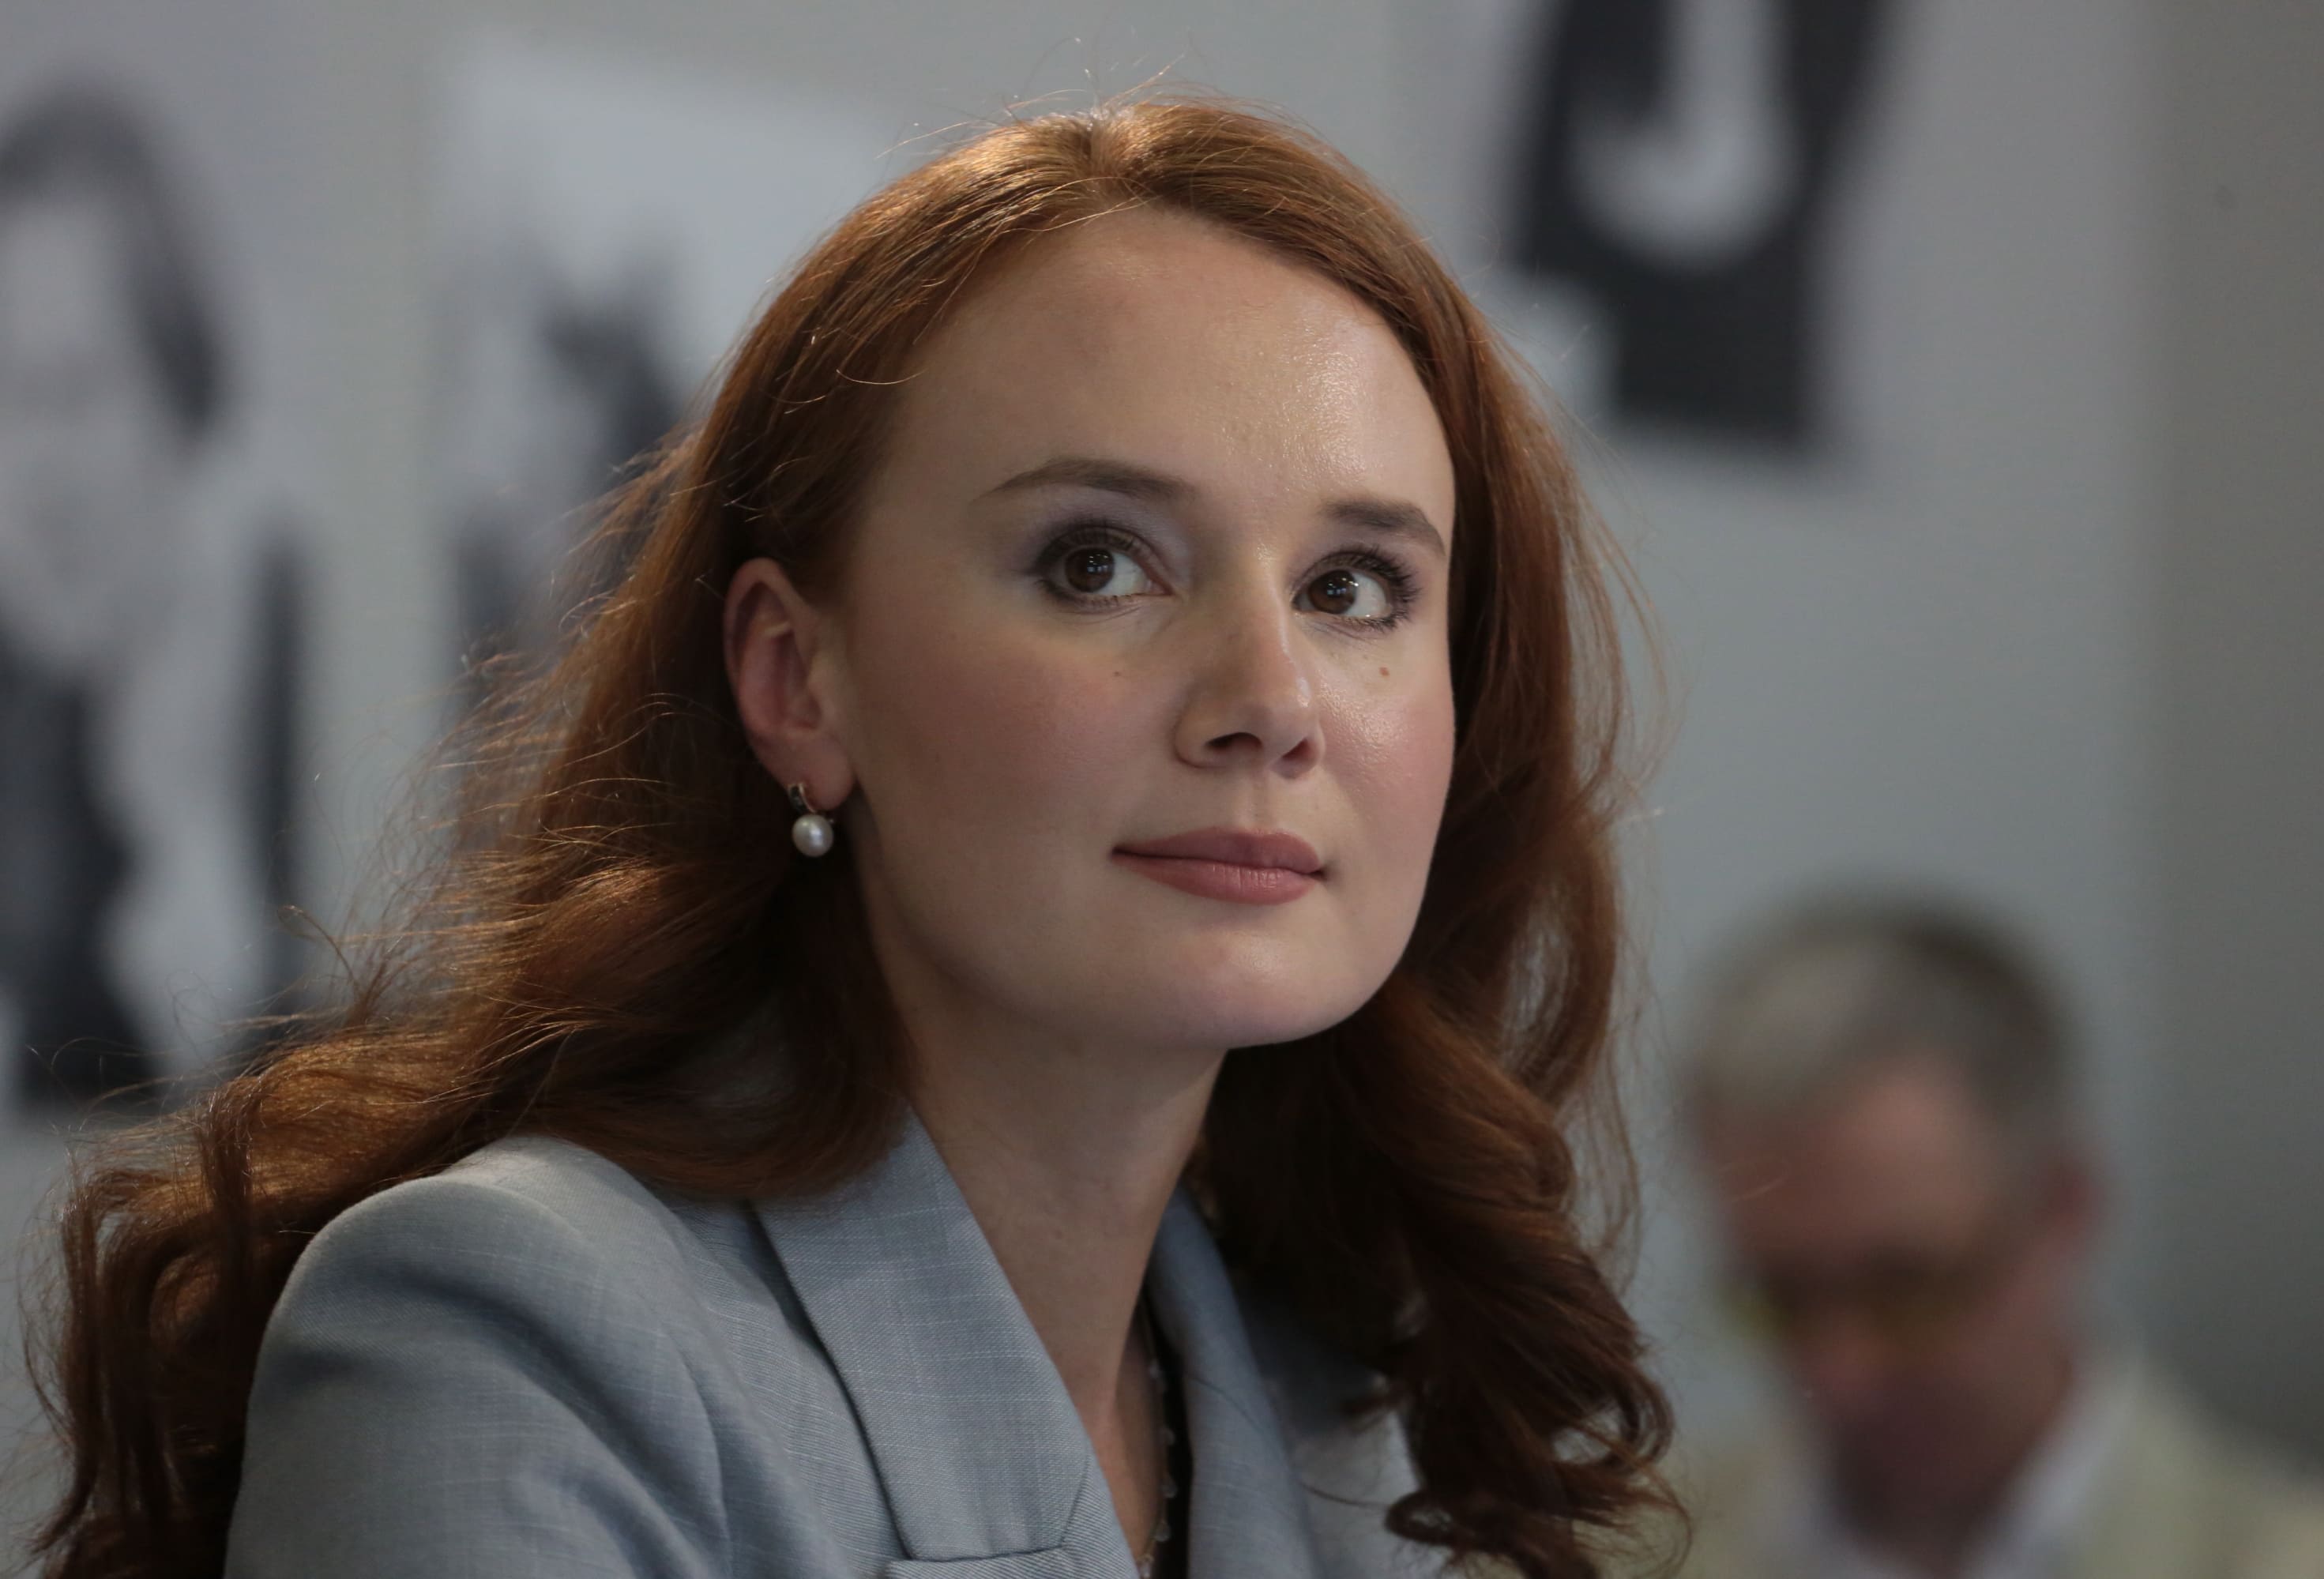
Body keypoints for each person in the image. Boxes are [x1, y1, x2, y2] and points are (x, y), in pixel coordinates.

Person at [32, 100, 1675, 1578]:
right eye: (1096, 563)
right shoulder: (507, 1332)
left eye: (1352, 587)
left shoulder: (1337, 1415)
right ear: (794, 680)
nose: (1269, 699)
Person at [1667, 895, 2324, 1578]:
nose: (1841, 1373)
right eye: (1780, 1296)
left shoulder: (2313, 1562)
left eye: (1907, 1286)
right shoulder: (1636, 1548)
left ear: (2062, 1207)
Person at [0, 84, 302, 1110]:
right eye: (3, 400)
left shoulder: (298, 665)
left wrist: (189, 831)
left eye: (72, 390)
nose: (31, 468)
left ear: (183, 389)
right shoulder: (28, 688)